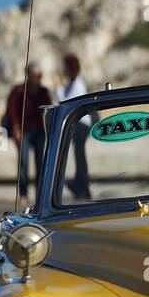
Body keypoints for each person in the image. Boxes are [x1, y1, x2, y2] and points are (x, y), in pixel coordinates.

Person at [5, 62, 52, 200]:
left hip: (39, 131)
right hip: (24, 131)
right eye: (35, 75)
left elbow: (49, 110)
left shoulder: (44, 92)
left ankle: (40, 195)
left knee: (41, 163)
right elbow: (11, 109)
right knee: (23, 163)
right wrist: (15, 127)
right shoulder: (18, 90)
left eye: (39, 76)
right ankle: (23, 194)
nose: (37, 78)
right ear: (28, 75)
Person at [55, 52, 92, 200]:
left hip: (81, 124)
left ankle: (82, 186)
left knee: (80, 155)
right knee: (79, 155)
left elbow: (65, 102)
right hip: (78, 124)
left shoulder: (77, 84)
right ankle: (80, 185)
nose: (63, 71)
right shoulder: (73, 83)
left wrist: (57, 86)